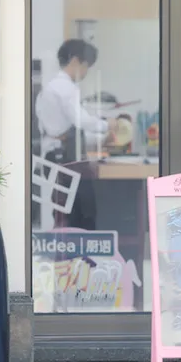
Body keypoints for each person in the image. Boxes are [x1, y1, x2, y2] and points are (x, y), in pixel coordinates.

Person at [34, 39, 116, 229]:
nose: (86, 72)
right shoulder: (65, 88)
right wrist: (107, 125)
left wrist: (101, 138)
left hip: (56, 156)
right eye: (86, 66)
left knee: (65, 212)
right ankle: (74, 247)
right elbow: (81, 121)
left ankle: (66, 247)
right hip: (65, 160)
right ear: (75, 61)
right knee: (80, 214)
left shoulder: (52, 87)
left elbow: (66, 130)